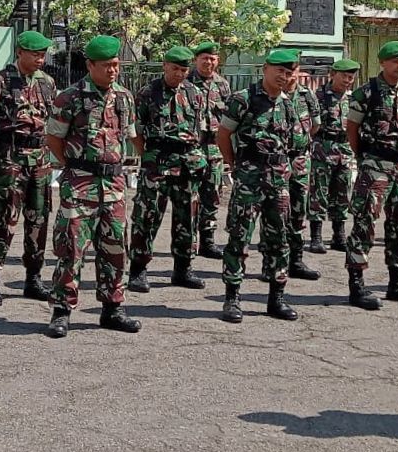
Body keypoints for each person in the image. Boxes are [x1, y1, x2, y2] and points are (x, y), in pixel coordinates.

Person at [45, 35, 140, 338]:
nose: (113, 70)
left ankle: (113, 308)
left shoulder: (124, 97)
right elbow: (54, 138)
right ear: (90, 65)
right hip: (80, 184)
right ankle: (61, 310)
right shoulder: (70, 97)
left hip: (114, 185)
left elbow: (130, 135)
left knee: (114, 247)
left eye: (116, 65)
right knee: (71, 248)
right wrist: (74, 166)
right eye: (107, 66)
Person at [216, 48, 304, 323]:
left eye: (288, 72)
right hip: (249, 182)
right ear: (265, 69)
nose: (284, 76)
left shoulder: (288, 105)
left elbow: (296, 144)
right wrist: (235, 166)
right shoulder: (243, 100)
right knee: (239, 238)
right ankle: (232, 298)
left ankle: (276, 298)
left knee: (279, 240)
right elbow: (223, 135)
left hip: (278, 183)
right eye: (279, 70)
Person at [0, 30, 57, 306]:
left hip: (41, 160)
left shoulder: (47, 83)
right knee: (3, 218)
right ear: (20, 52)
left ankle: (33, 278)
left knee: (39, 219)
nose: (40, 58)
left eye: (43, 54)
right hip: (11, 158)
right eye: (35, 54)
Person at [345, 41, 398, 311]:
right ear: (383, 63)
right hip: (374, 165)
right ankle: (357, 285)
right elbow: (352, 130)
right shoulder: (365, 93)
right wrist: (365, 159)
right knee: (365, 223)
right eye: (396, 62)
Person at [126, 45, 208, 293]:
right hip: (157, 164)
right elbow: (135, 132)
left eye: (184, 69)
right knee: (147, 216)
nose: (180, 74)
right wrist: (148, 157)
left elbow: (200, 129)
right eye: (175, 69)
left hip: (187, 165)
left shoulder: (195, 93)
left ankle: (183, 269)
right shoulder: (148, 93)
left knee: (188, 218)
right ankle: (138, 270)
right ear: (164, 66)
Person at [307, 58, 360, 253]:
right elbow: (310, 125)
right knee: (319, 192)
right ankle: (316, 237)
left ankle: (339, 235)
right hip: (323, 148)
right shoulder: (317, 96)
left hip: (344, 149)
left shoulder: (353, 98)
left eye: (351, 77)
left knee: (342, 192)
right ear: (333, 74)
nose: (347, 80)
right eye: (344, 76)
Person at [187, 41, 232, 260]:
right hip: (192, 149)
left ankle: (208, 241)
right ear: (196, 60)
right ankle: (188, 242)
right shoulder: (186, 83)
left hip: (214, 149)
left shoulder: (222, 85)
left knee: (213, 196)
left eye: (213, 59)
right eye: (205, 58)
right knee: (189, 196)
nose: (209, 62)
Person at [282, 61, 320, 280]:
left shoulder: (307, 96)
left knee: (298, 212)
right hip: (275, 162)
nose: (291, 76)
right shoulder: (270, 94)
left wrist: (300, 141)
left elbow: (315, 125)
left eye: (294, 71)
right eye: (287, 71)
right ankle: (271, 264)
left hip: (300, 160)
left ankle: (295, 261)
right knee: (276, 214)